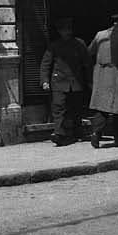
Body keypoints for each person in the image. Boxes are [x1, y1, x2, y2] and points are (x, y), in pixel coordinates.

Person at [40, 15, 92, 147]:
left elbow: (87, 63)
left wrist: (90, 80)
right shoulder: (54, 46)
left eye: (68, 29)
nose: (66, 32)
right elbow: (46, 64)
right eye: (64, 30)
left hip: (75, 82)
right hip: (59, 82)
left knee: (77, 108)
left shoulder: (79, 44)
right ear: (59, 31)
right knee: (58, 108)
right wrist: (45, 80)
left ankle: (78, 131)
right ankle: (59, 134)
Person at [85, 12, 118, 147]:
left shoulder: (100, 35)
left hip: (100, 74)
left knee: (101, 107)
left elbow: (89, 51)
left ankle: (96, 133)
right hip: (115, 74)